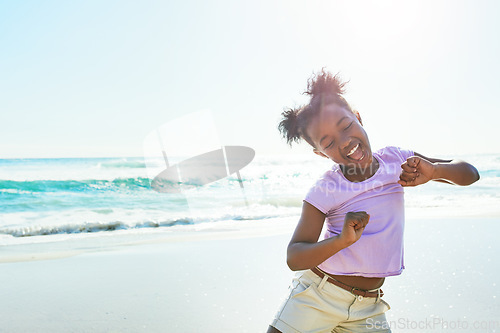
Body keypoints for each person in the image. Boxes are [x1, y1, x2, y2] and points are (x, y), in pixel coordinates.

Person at [267, 69, 480, 333]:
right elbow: (295, 257)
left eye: (346, 127)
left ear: (358, 117)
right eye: (329, 143)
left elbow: (470, 174)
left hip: (369, 307)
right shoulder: (325, 189)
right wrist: (341, 241)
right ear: (320, 154)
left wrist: (436, 172)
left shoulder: (397, 160)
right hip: (317, 298)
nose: (344, 142)